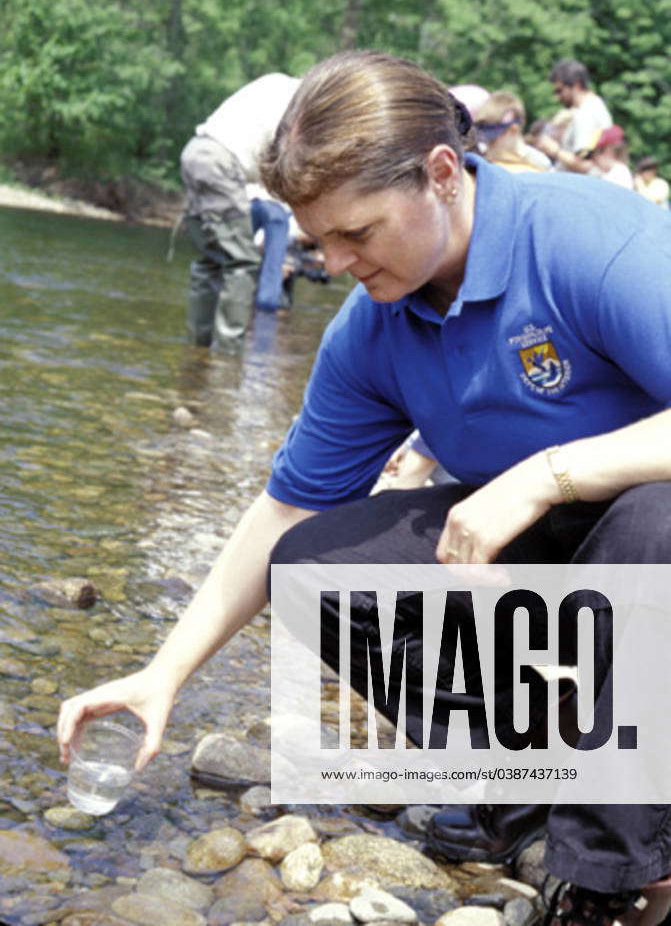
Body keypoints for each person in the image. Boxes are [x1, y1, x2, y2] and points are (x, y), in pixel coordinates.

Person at [58, 51, 671, 926]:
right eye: (317, 242)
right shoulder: (375, 325)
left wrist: (546, 475)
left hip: (655, 539)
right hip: (562, 567)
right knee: (314, 565)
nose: (337, 263)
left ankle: (612, 879)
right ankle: (529, 806)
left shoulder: (590, 242)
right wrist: (163, 673)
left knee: (653, 523)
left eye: (358, 233)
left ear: (442, 174)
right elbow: (283, 512)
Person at [180, 72, 300, 346]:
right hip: (220, 164)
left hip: (195, 152)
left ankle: (198, 346)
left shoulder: (274, 83)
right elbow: (281, 157)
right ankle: (228, 350)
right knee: (243, 261)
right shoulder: (299, 102)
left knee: (211, 259)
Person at [536, 58, 612, 174]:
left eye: (559, 91)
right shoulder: (595, 105)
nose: (557, 97)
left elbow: (585, 165)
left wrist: (554, 149)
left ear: (576, 85)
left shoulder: (586, 113)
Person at [475, 90, 551, 173]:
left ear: (513, 130)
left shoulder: (538, 163)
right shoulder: (479, 157)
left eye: (492, 140)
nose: (486, 144)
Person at [588, 125, 633, 189]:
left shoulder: (618, 175)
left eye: (596, 151)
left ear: (608, 151)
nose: (593, 158)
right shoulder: (602, 173)